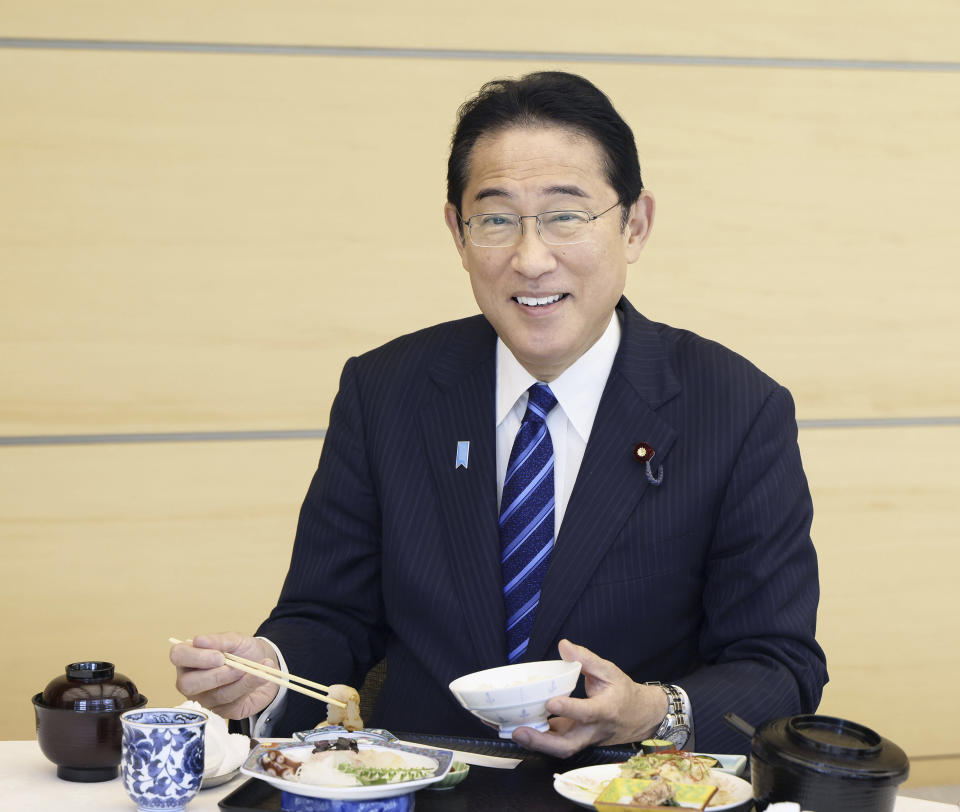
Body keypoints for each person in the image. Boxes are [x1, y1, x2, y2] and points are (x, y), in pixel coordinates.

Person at [171, 71, 827, 758]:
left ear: (635, 225)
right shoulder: (387, 390)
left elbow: (779, 667)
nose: (531, 258)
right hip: (420, 788)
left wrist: (651, 713)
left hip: (627, 793)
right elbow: (330, 615)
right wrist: (271, 677)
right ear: (458, 232)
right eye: (496, 219)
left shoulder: (737, 409)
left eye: (565, 216)